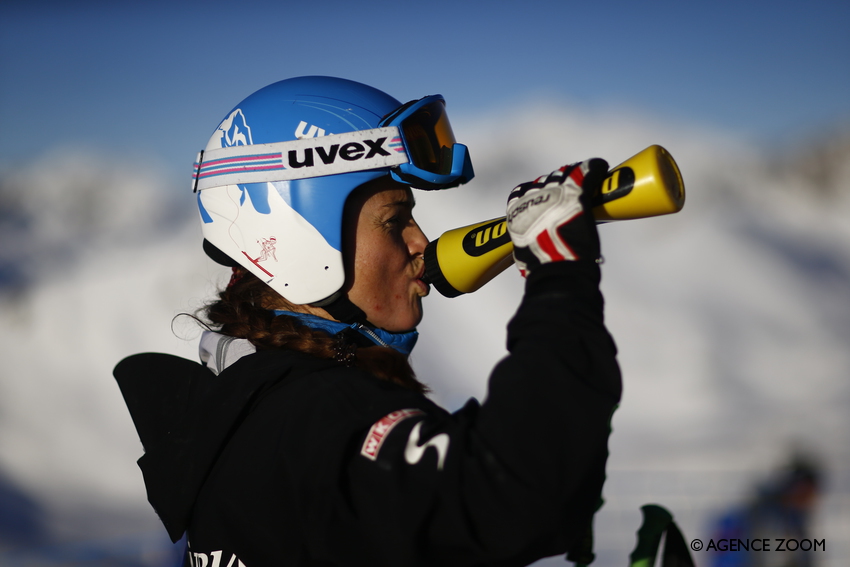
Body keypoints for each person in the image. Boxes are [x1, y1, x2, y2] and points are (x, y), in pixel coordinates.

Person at [115, 76, 622, 567]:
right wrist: (561, 282)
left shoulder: (244, 409)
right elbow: (516, 494)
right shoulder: (319, 418)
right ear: (301, 239)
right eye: (394, 220)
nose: (421, 241)